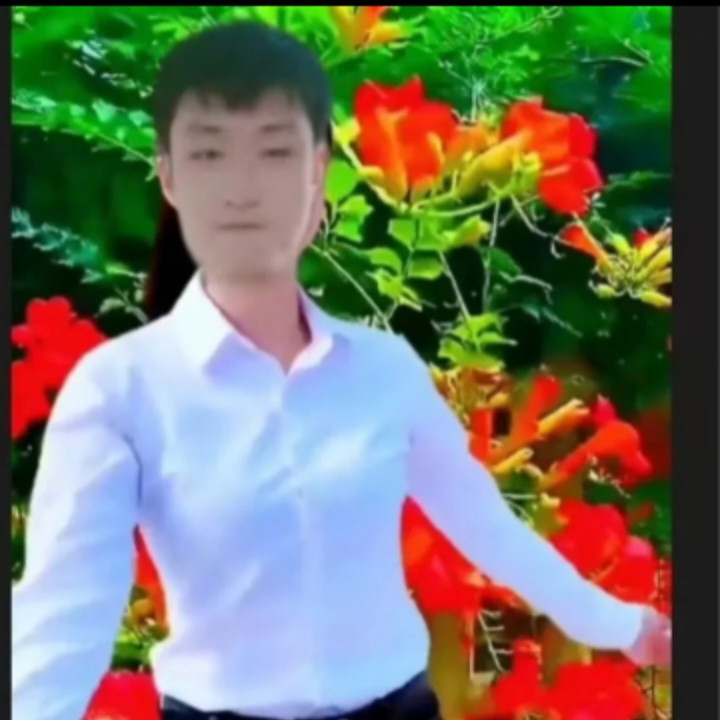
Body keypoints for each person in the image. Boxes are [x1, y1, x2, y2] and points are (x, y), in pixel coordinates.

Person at [12, 20, 671, 720]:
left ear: (319, 172)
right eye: (210, 154)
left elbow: (488, 531)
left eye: (275, 152)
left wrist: (624, 627)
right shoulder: (119, 390)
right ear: (170, 177)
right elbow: (64, 613)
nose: (243, 189)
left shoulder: (384, 370)